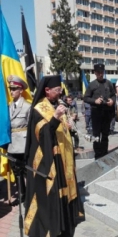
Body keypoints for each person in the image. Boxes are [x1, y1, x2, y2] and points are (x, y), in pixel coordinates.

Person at [24, 75, 84, 237]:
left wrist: (68, 124)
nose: (60, 93)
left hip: (63, 157)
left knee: (64, 191)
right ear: (47, 90)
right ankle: (52, 225)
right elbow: (43, 135)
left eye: (60, 90)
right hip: (49, 160)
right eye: (57, 90)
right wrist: (56, 118)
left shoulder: (57, 104)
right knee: (52, 194)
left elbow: (60, 128)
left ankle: (64, 220)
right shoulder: (38, 109)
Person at [6, 75, 31, 204]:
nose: (11, 91)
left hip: (23, 143)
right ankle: (22, 193)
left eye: (14, 89)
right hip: (11, 144)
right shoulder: (7, 107)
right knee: (16, 171)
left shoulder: (27, 106)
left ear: (21, 90)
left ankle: (32, 194)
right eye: (10, 88)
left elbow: (31, 127)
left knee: (27, 171)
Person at [84, 64, 115, 159]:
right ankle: (97, 153)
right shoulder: (92, 84)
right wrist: (95, 101)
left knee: (105, 134)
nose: (100, 74)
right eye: (98, 73)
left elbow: (114, 95)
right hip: (96, 113)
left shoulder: (109, 83)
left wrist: (112, 101)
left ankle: (105, 152)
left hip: (106, 112)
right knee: (96, 135)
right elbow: (86, 98)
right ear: (95, 73)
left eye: (102, 72)